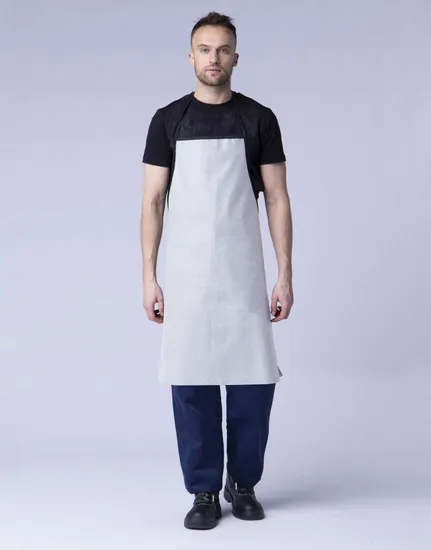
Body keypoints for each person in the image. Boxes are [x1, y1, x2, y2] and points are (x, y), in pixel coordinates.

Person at [140, 12, 294, 530]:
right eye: (205, 49)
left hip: (243, 271)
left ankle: (243, 482)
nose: (214, 58)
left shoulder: (259, 119)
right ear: (191, 57)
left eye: (223, 49)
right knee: (191, 382)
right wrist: (149, 276)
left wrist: (284, 274)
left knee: (254, 381)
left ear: (236, 57)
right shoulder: (168, 120)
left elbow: (277, 198)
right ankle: (204, 489)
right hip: (186, 275)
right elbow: (153, 200)